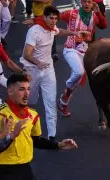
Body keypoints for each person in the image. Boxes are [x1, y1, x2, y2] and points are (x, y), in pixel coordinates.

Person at [0, 73, 78, 180]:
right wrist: (12, 135)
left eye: (28, 89)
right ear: (10, 91)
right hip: (4, 171)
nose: (27, 94)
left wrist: (58, 145)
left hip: (25, 169)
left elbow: (35, 140)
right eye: (21, 89)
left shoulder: (33, 114)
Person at [20, 6, 87, 140]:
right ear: (44, 17)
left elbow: (59, 31)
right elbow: (27, 54)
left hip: (48, 70)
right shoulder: (34, 31)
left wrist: (74, 33)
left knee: (50, 103)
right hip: (32, 71)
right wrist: (37, 62)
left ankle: (52, 136)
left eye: (56, 18)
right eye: (51, 18)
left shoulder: (52, 28)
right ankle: (23, 127)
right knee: (30, 100)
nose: (54, 21)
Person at [57, 0, 107, 116]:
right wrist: (36, 21)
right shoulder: (71, 13)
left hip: (85, 52)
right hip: (70, 49)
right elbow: (52, 16)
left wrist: (99, 12)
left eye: (89, 2)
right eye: (84, 1)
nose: (86, 4)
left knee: (77, 80)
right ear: (80, 2)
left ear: (93, 4)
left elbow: (104, 26)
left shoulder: (94, 16)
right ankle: (65, 94)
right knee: (79, 72)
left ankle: (63, 102)